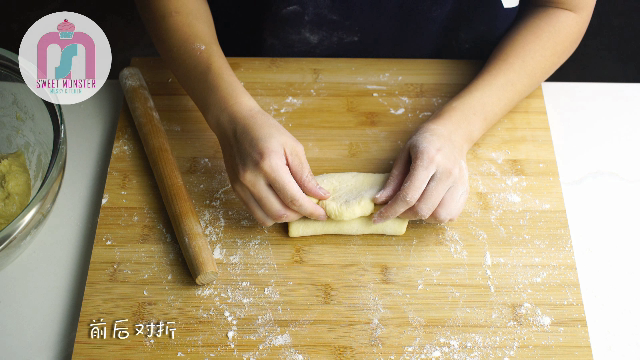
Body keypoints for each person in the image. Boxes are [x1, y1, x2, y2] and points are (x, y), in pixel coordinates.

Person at [135, 0, 595, 227]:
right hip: (247, 51)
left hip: (472, 60)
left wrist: (461, 128)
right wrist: (230, 114)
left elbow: (564, 6)